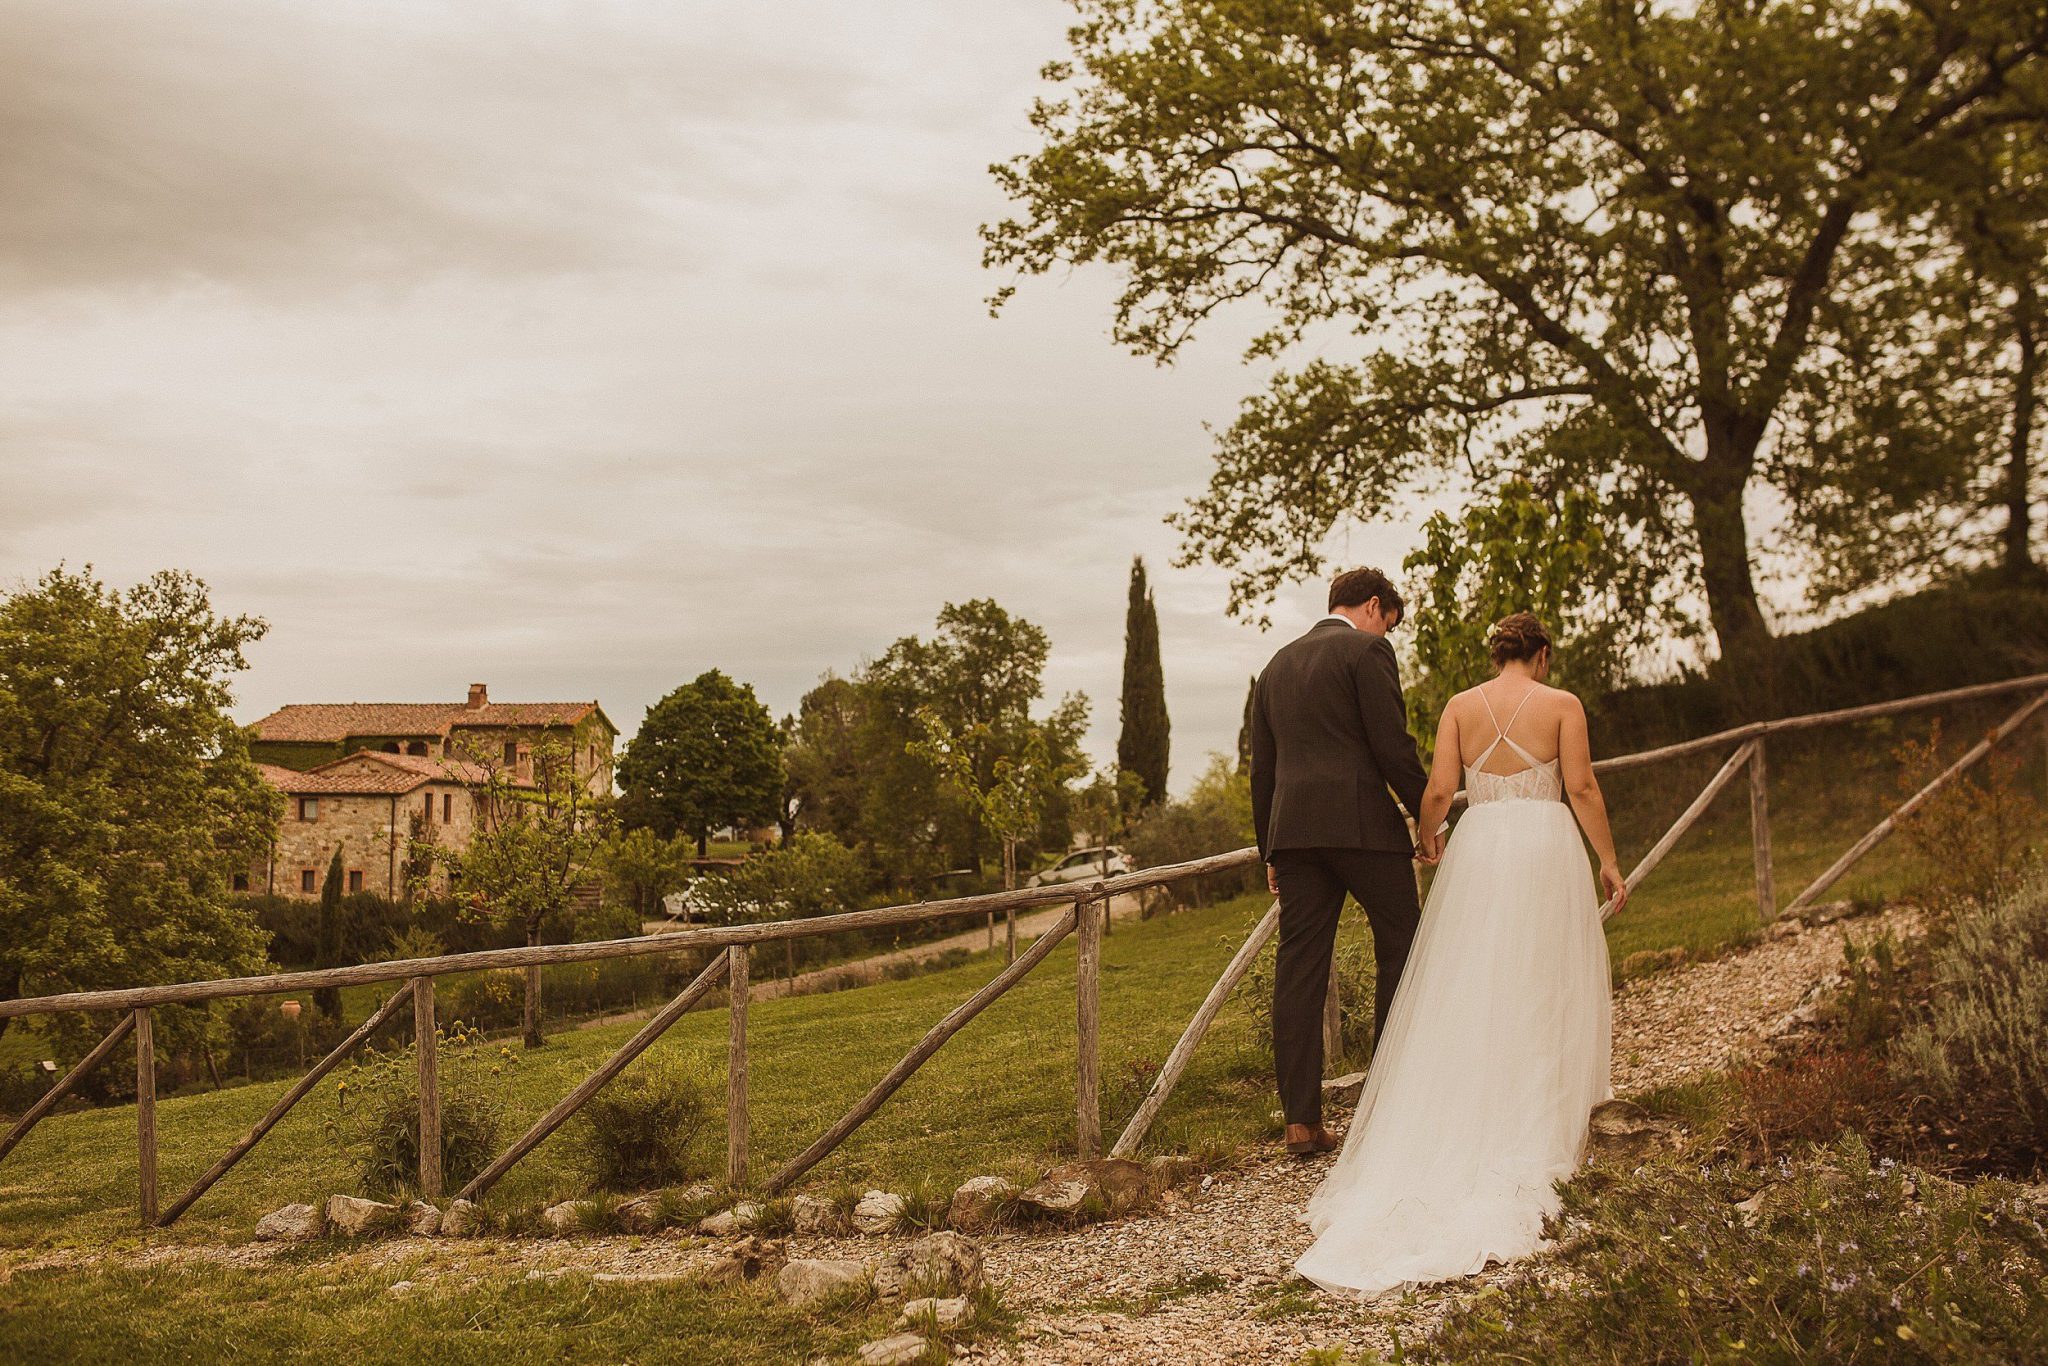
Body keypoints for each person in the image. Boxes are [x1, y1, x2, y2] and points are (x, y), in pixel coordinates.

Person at [1294, 611, 1626, 1299]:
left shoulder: (1459, 707)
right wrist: (1609, 860)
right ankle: (1544, 1106)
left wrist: (1430, 834)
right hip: (1542, 844)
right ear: (1541, 653)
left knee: (1475, 981)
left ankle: (1470, 1103)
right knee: (1543, 974)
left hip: (1480, 846)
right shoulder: (1562, 705)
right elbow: (1584, 787)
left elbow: (1440, 790)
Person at [1248, 566, 1432, 1158]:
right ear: (1375, 607)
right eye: (1390, 626)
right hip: (1362, 829)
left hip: (1295, 835)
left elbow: (1263, 770)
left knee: (1299, 968)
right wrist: (1430, 817)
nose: (1388, 637)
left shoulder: (1276, 666)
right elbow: (1391, 745)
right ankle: (1390, 1099)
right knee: (1403, 942)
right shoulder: (1367, 653)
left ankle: (1300, 1122)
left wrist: (1269, 848)